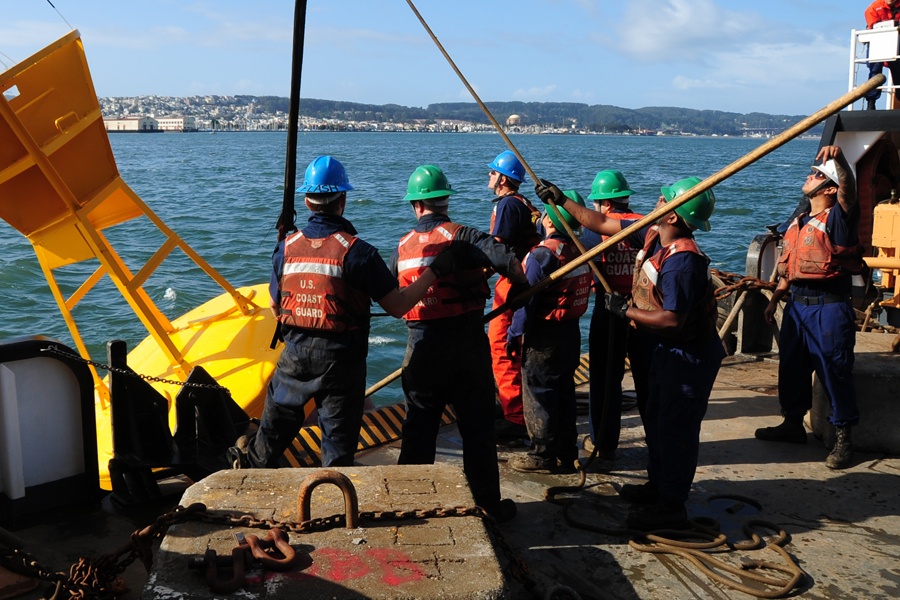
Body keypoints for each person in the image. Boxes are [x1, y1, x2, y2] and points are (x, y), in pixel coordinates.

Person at [240, 156, 454, 469]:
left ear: (307, 200)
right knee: (337, 452)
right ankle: (336, 506)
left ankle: (249, 487)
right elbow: (397, 306)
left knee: (269, 441)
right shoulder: (359, 252)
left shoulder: (286, 247)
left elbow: (276, 305)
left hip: (294, 357)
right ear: (343, 199)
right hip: (341, 363)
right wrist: (433, 272)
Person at [535, 176, 724, 530]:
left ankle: (672, 505)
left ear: (673, 216)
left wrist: (626, 311)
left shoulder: (683, 261)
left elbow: (672, 319)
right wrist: (561, 200)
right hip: (663, 351)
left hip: (686, 357)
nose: (657, 200)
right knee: (655, 418)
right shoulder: (652, 234)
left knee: (676, 429)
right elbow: (603, 222)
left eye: (664, 199)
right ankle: (658, 485)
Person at [391, 164, 527, 522]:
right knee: (477, 429)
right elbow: (511, 264)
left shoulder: (402, 247)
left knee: (419, 429)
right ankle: (487, 506)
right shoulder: (465, 236)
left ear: (416, 205)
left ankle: (408, 504)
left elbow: (391, 294)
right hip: (466, 345)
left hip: (421, 349)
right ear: (444, 201)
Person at [754, 146, 863, 470]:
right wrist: (775, 297)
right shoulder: (800, 221)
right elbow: (790, 267)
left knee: (834, 371)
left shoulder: (838, 219)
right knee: (791, 369)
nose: (809, 175)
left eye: (817, 174)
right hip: (796, 307)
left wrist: (840, 162)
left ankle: (844, 437)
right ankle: (792, 424)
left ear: (829, 188)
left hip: (827, 308)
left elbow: (849, 191)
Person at [506, 192, 593, 474]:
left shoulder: (543, 255)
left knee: (539, 394)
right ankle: (567, 454)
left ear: (550, 220)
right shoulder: (581, 251)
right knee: (564, 394)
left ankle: (541, 454)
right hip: (570, 334)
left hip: (544, 337)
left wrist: (514, 334)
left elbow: (526, 300)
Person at [579, 170, 645, 462]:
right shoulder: (644, 224)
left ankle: (603, 442)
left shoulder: (593, 231)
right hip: (643, 313)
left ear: (603, 204)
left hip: (609, 311)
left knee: (605, 381)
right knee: (646, 378)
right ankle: (657, 440)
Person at [486, 150, 542, 446]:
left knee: (501, 345)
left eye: (493, 173)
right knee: (513, 345)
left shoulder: (508, 205)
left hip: (512, 282)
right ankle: (515, 408)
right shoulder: (525, 204)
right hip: (523, 280)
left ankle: (516, 417)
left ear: (504, 179)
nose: (489, 177)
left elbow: (499, 249)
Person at [864, 0, 900, 110]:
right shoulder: (875, 7)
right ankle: (871, 102)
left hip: (897, 43)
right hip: (878, 42)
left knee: (898, 72)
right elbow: (872, 25)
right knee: (875, 71)